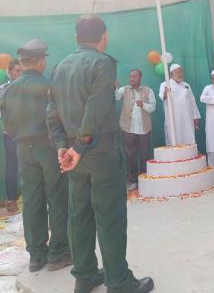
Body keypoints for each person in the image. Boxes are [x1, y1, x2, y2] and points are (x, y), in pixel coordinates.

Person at [47, 16, 154, 293]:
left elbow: (52, 111)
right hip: (100, 152)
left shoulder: (59, 66)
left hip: (74, 154)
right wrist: (79, 148)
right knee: (110, 215)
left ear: (75, 38)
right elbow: (94, 112)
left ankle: (85, 276)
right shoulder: (103, 63)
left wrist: (63, 146)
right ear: (104, 37)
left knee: (79, 214)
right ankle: (118, 282)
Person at [0, 39, 71, 272]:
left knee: (31, 200)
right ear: (41, 62)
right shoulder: (49, 85)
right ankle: (59, 252)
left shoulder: (9, 88)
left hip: (23, 148)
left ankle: (36, 255)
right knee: (57, 197)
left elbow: (7, 125)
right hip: (49, 148)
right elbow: (61, 119)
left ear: (22, 62)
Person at [116, 69, 156, 191]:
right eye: (130, 76)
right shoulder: (124, 89)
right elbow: (116, 97)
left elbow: (153, 107)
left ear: (140, 78)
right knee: (130, 155)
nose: (131, 79)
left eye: (134, 76)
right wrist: (115, 88)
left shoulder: (148, 90)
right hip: (128, 128)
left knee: (145, 155)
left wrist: (143, 104)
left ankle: (144, 179)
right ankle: (133, 181)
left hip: (144, 129)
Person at [159, 63, 201, 146]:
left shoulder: (186, 85)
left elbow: (192, 101)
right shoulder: (165, 84)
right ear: (171, 74)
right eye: (178, 72)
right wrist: (165, 93)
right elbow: (162, 97)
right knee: (174, 140)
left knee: (189, 140)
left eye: (181, 72)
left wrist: (196, 117)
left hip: (187, 119)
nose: (180, 74)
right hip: (173, 119)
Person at [0, 59, 22, 214]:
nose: (20, 73)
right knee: (12, 167)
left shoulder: (31, 87)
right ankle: (12, 200)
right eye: (17, 70)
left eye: (22, 70)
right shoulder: (3, 89)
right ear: (9, 71)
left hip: (31, 135)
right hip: (12, 135)